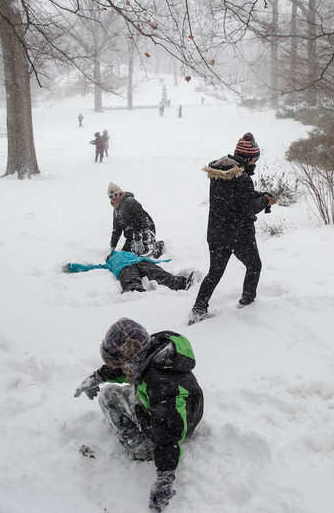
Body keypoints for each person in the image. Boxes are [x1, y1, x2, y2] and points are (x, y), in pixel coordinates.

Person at [74, 318, 203, 512]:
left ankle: (140, 450)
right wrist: (96, 378)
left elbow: (169, 435)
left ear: (130, 360)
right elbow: (125, 371)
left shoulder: (160, 385)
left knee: (109, 396)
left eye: (121, 363)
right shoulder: (157, 353)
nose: (121, 368)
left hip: (175, 424)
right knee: (131, 387)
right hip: (185, 409)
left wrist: (165, 479)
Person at [189, 133, 276, 324]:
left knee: (215, 273)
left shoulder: (220, 173)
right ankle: (248, 302)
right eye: (255, 159)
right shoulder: (242, 178)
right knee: (254, 266)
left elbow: (236, 198)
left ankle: (198, 309)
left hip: (217, 233)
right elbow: (248, 207)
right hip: (238, 234)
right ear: (248, 158)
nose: (255, 163)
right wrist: (265, 200)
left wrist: (260, 195)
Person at [64, 250, 200, 293]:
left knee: (157, 273)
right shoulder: (109, 263)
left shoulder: (126, 255)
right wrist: (72, 267)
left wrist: (164, 262)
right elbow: (91, 268)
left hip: (139, 262)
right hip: (126, 268)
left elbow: (152, 262)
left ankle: (180, 283)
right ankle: (134, 291)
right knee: (130, 279)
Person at [108, 182, 164, 258]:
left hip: (145, 230)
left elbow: (142, 219)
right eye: (111, 196)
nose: (114, 198)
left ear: (120, 194)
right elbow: (116, 230)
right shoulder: (116, 212)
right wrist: (112, 248)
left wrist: (139, 238)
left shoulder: (130, 201)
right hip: (131, 236)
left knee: (144, 254)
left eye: (116, 195)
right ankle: (137, 247)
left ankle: (157, 246)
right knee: (125, 255)